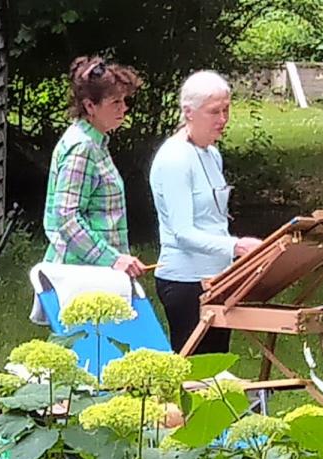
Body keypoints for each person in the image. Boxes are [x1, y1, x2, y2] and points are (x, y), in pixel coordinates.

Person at [150, 70, 262, 354]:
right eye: (214, 112)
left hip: (218, 280)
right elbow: (183, 232)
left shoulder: (212, 154)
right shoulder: (174, 158)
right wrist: (236, 246)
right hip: (185, 282)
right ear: (189, 112)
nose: (223, 119)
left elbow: (214, 220)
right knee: (193, 373)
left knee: (216, 373)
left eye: (226, 110)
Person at [43, 55, 147, 278]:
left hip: (96, 274)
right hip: (80, 276)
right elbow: (67, 218)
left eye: (124, 101)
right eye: (115, 102)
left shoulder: (96, 143)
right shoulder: (82, 147)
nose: (124, 108)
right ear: (90, 106)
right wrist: (114, 259)